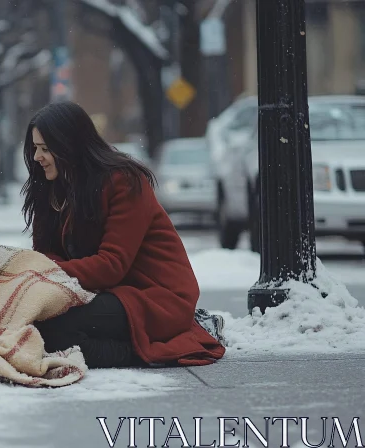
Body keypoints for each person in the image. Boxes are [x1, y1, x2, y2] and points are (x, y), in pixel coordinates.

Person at [22, 101, 225, 369]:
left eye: (46, 149)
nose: (37, 157)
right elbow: (46, 255)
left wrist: (40, 271)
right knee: (33, 324)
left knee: (56, 331)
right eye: (36, 148)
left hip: (154, 296)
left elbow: (111, 266)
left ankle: (148, 347)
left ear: (70, 147)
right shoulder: (51, 188)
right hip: (103, 293)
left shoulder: (123, 181)